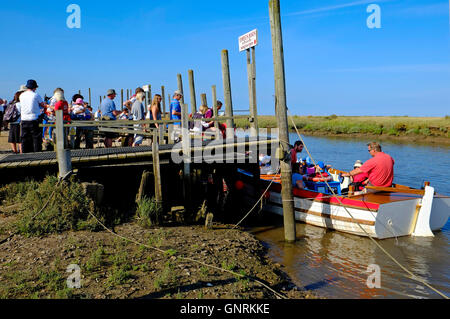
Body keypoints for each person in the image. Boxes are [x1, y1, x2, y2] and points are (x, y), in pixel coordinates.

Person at [19, 79, 46, 153]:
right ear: (34, 87)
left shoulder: (21, 95)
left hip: (24, 118)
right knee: (36, 137)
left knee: (25, 138)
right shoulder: (36, 95)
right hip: (34, 118)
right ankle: (37, 152)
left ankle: (25, 153)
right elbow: (42, 105)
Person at [7, 87, 26, 153]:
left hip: (12, 122)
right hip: (19, 123)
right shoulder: (21, 104)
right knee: (20, 139)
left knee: (12, 139)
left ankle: (14, 151)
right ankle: (21, 152)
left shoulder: (12, 103)